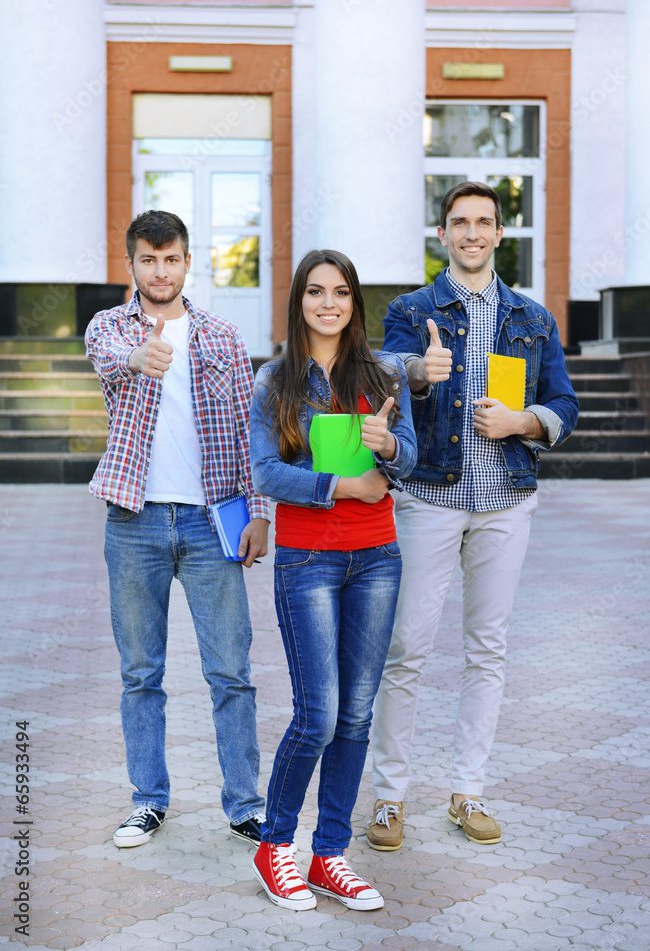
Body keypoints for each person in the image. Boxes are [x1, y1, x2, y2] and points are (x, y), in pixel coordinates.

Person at [367, 182, 580, 850]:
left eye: (484, 222)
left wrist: (525, 421)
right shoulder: (412, 308)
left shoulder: (533, 318)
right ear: (442, 235)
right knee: (406, 650)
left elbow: (564, 406)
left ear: (498, 233)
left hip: (506, 503)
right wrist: (418, 373)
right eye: (459, 222)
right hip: (429, 498)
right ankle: (389, 798)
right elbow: (384, 374)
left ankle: (468, 790)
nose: (472, 233)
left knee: (487, 650)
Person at [85, 209, 269, 849]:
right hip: (132, 520)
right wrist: (140, 356)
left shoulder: (222, 335)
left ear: (188, 262)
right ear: (131, 264)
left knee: (232, 673)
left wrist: (259, 515)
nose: (159, 271)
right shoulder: (109, 327)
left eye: (170, 259)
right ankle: (148, 800)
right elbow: (109, 361)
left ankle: (246, 805)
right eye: (147, 260)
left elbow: (249, 434)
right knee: (141, 673)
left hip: (209, 523)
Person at [249, 249, 417, 911]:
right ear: (299, 303)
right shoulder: (274, 381)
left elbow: (410, 463)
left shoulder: (380, 375)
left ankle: (329, 855)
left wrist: (390, 447)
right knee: (317, 715)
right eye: (315, 292)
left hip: (377, 557)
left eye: (341, 292)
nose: (328, 303)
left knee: (355, 714)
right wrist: (346, 483)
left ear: (354, 304)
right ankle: (275, 844)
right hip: (307, 561)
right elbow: (267, 473)